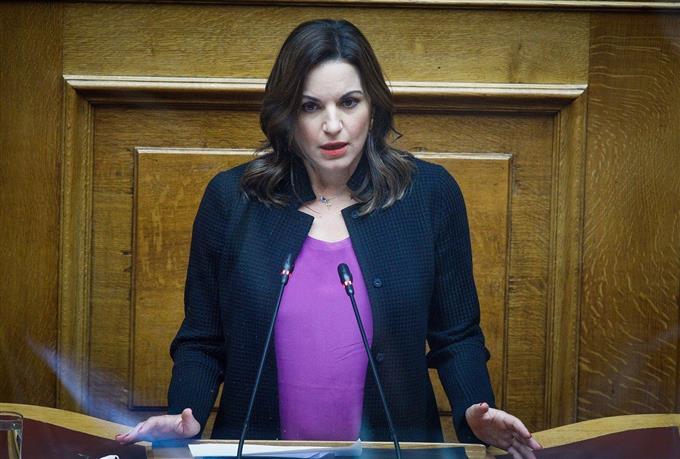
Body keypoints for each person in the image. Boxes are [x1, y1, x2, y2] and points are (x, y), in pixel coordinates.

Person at [116, 19, 542, 459]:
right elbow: (202, 340)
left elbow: (457, 337)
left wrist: (474, 411)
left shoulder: (430, 195)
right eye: (310, 106)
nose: (333, 125)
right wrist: (185, 412)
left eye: (349, 102)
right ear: (287, 116)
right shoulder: (232, 200)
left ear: (373, 107)